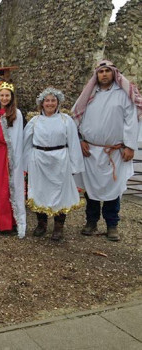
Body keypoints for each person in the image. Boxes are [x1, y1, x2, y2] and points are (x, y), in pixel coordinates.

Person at [72, 59, 142, 241]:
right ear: (96, 75)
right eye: (100, 71)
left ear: (113, 73)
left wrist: (130, 146)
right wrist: (80, 140)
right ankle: (91, 221)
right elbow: (76, 119)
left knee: (113, 188)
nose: (104, 74)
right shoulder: (89, 94)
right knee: (91, 189)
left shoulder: (123, 95)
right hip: (90, 150)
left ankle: (112, 224)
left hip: (115, 152)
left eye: (107, 71)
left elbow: (131, 121)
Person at [23, 87, 84, 241]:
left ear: (58, 103)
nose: (50, 103)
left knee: (60, 193)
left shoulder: (66, 120)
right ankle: (41, 224)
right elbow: (26, 143)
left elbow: (73, 143)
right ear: (42, 103)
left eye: (53, 100)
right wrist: (26, 164)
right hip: (39, 161)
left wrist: (75, 165)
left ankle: (58, 227)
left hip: (60, 161)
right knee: (39, 191)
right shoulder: (34, 121)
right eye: (47, 100)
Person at [0, 82, 26, 238]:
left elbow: (17, 138)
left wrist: (14, 158)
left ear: (11, 97)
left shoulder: (16, 113)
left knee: (11, 188)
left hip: (9, 155)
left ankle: (13, 221)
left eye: (7, 95)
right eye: (2, 95)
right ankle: (1, 222)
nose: (4, 98)